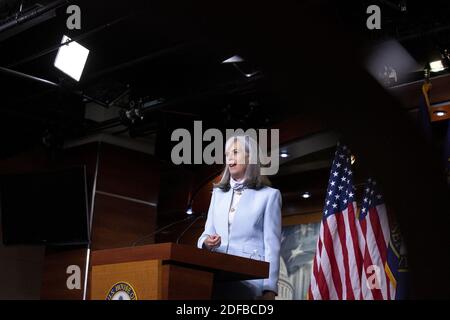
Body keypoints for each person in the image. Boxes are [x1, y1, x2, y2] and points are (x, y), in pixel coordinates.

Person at [197, 135, 282, 300]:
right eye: (227, 154)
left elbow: (272, 246)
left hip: (250, 280)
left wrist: (269, 289)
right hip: (217, 279)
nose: (229, 157)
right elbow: (205, 235)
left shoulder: (269, 196)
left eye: (235, 152)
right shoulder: (217, 194)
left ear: (250, 157)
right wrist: (206, 243)